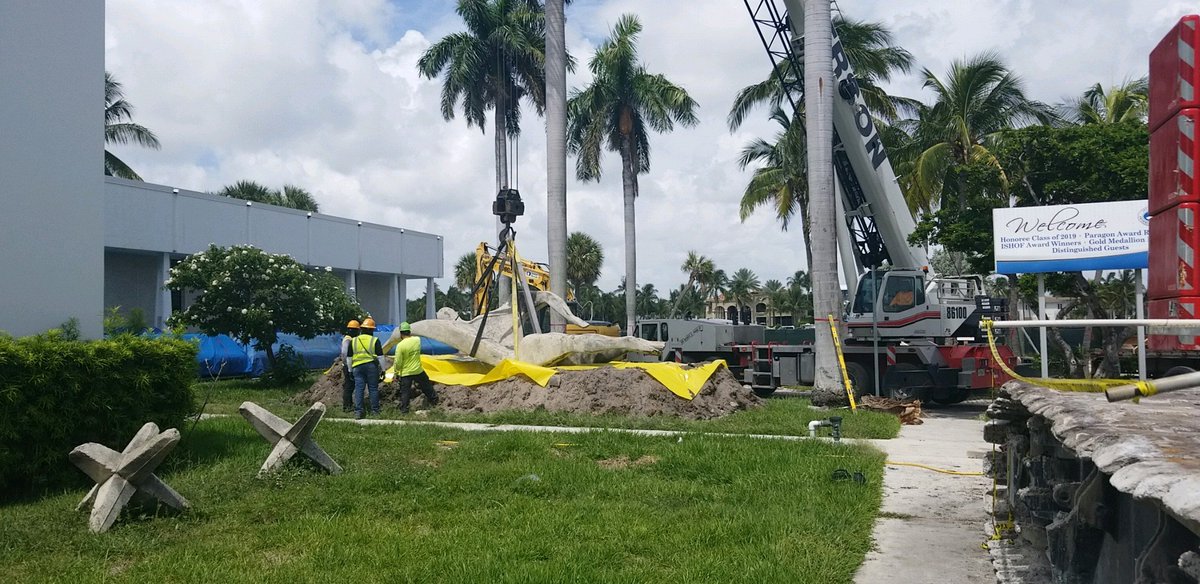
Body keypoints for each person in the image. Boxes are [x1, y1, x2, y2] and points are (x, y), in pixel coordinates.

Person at [389, 322, 439, 414]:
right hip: (417, 370)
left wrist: (395, 373)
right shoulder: (417, 340)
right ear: (409, 332)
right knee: (426, 385)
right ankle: (435, 401)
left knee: (405, 392)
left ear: (401, 333)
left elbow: (398, 362)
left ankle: (404, 410)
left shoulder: (400, 346)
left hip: (406, 373)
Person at [347, 317, 384, 419]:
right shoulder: (375, 340)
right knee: (373, 388)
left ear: (362, 328)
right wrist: (383, 370)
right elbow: (380, 357)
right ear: (372, 330)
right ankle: (375, 411)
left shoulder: (353, 341)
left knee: (359, 389)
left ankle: (358, 412)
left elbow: (349, 357)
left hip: (357, 368)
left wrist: (350, 370)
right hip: (371, 367)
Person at [339, 319, 360, 413]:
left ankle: (349, 405)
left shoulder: (350, 339)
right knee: (349, 386)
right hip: (348, 366)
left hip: (349, 365)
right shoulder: (348, 340)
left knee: (350, 386)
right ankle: (347, 407)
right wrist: (349, 367)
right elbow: (344, 354)